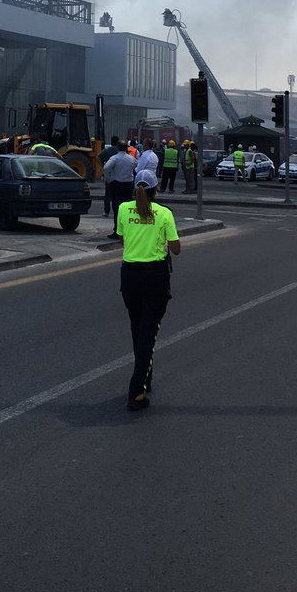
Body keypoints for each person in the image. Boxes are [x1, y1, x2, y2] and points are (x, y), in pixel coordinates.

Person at [116, 169, 182, 411]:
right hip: (154, 277)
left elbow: (123, 240)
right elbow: (175, 249)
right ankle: (136, 392)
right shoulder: (165, 213)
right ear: (157, 189)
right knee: (148, 333)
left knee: (138, 329)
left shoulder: (123, 209)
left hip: (130, 276)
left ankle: (146, 376)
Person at [103, 142, 136, 239]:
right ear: (126, 148)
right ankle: (127, 230)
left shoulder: (115, 158)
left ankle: (117, 231)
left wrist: (108, 178)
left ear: (117, 148)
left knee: (117, 209)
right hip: (128, 185)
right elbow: (136, 165)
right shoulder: (131, 158)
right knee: (127, 209)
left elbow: (106, 167)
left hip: (117, 184)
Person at [98, 135, 121, 216]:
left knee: (107, 194)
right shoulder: (120, 151)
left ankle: (106, 211)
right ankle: (118, 211)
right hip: (119, 175)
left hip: (109, 175)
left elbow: (98, 157)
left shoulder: (106, 150)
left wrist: (102, 166)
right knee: (117, 194)